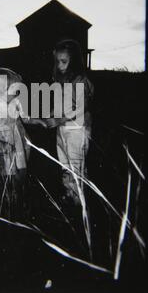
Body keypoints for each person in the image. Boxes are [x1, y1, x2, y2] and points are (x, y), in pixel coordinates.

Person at [0, 67, 44, 220]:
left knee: (20, 172)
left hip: (17, 142)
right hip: (0, 145)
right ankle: (1, 206)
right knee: (2, 175)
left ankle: (16, 201)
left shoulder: (16, 102)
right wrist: (2, 145)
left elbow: (25, 118)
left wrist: (38, 121)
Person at [45, 40, 94, 206]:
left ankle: (79, 204)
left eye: (64, 62)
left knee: (76, 167)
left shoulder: (81, 80)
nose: (60, 65)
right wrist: (52, 114)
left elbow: (80, 107)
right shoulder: (61, 80)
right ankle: (70, 197)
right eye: (57, 61)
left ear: (74, 61)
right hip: (63, 129)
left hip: (77, 130)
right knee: (65, 165)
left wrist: (58, 119)